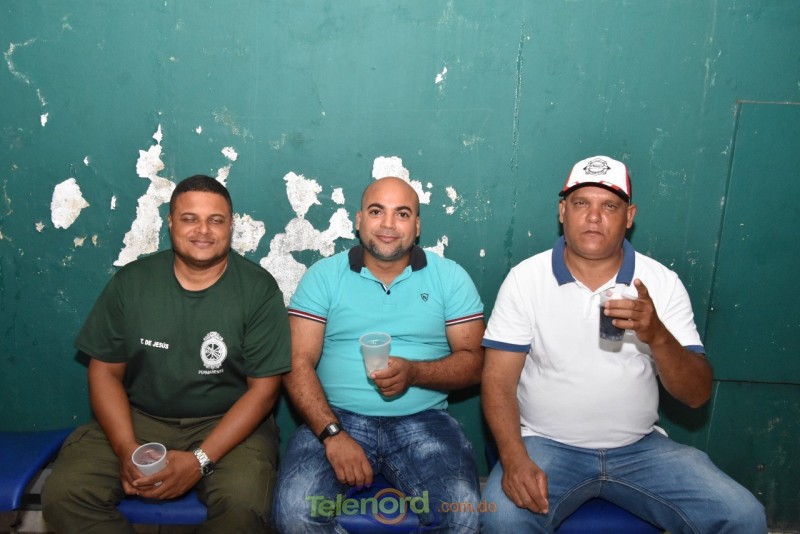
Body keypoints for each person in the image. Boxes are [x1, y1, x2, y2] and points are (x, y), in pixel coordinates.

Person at [480, 156, 766, 533]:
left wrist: (657, 335)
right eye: (581, 203)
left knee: (743, 515)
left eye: (610, 206)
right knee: (502, 518)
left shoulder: (660, 282)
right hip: (546, 445)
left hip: (640, 449)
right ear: (563, 211)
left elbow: (696, 395)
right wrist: (514, 457)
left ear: (629, 216)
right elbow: (498, 381)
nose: (593, 216)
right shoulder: (526, 279)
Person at [42, 175, 291, 533]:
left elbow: (263, 392)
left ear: (231, 226)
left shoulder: (258, 289)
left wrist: (199, 460)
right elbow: (104, 372)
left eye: (216, 220)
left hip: (227, 422)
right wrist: (126, 447)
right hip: (139, 417)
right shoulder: (132, 282)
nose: (203, 230)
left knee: (243, 504)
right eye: (190, 218)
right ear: (170, 222)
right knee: (65, 493)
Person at [272, 177, 485, 533]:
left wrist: (415, 373)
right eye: (376, 212)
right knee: (294, 512)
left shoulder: (450, 277)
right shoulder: (324, 276)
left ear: (417, 226)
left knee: (462, 513)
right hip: (336, 417)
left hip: (425, 419)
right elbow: (296, 362)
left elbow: (476, 361)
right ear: (359, 220)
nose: (388, 224)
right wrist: (333, 435)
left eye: (402, 214)